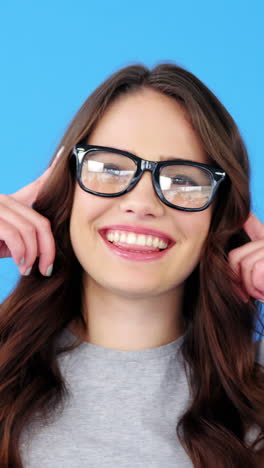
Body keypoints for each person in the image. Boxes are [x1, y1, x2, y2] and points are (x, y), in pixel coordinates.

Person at [0, 63, 263, 467]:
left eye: (184, 179)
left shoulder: (254, 386)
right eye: (109, 168)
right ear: (67, 186)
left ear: (221, 211)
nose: (141, 203)